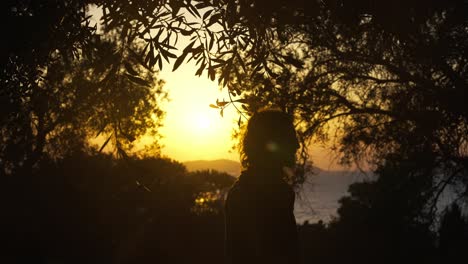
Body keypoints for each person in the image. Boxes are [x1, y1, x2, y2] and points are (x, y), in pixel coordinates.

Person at [224, 109, 300, 264]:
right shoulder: (248, 194)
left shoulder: (279, 190)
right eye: (290, 138)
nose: (297, 145)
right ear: (273, 141)